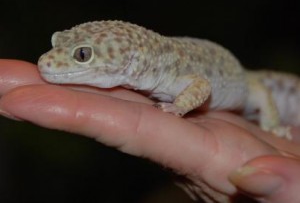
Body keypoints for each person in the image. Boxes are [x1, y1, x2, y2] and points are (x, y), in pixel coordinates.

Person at [0, 59, 300, 202]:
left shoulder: (166, 71)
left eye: (82, 56)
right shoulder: (148, 73)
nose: (49, 62)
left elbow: (201, 86)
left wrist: (179, 107)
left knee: (260, 91)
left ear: (128, 61)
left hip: (249, 82)